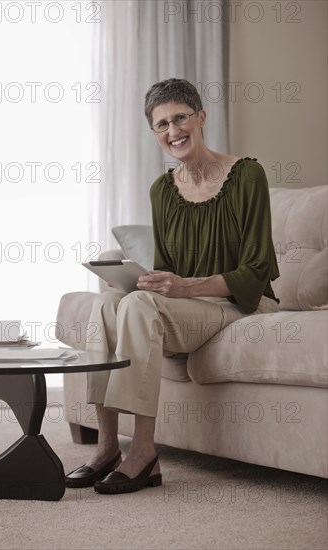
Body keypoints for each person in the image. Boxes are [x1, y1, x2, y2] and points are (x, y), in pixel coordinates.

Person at [65, 78, 280, 494]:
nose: (173, 131)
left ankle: (144, 452)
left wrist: (185, 288)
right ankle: (107, 446)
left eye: (180, 118)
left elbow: (256, 270)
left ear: (200, 117)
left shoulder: (247, 175)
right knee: (107, 303)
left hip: (240, 302)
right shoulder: (162, 190)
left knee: (141, 306)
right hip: (188, 306)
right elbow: (168, 268)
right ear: (154, 133)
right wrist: (147, 280)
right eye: (162, 124)